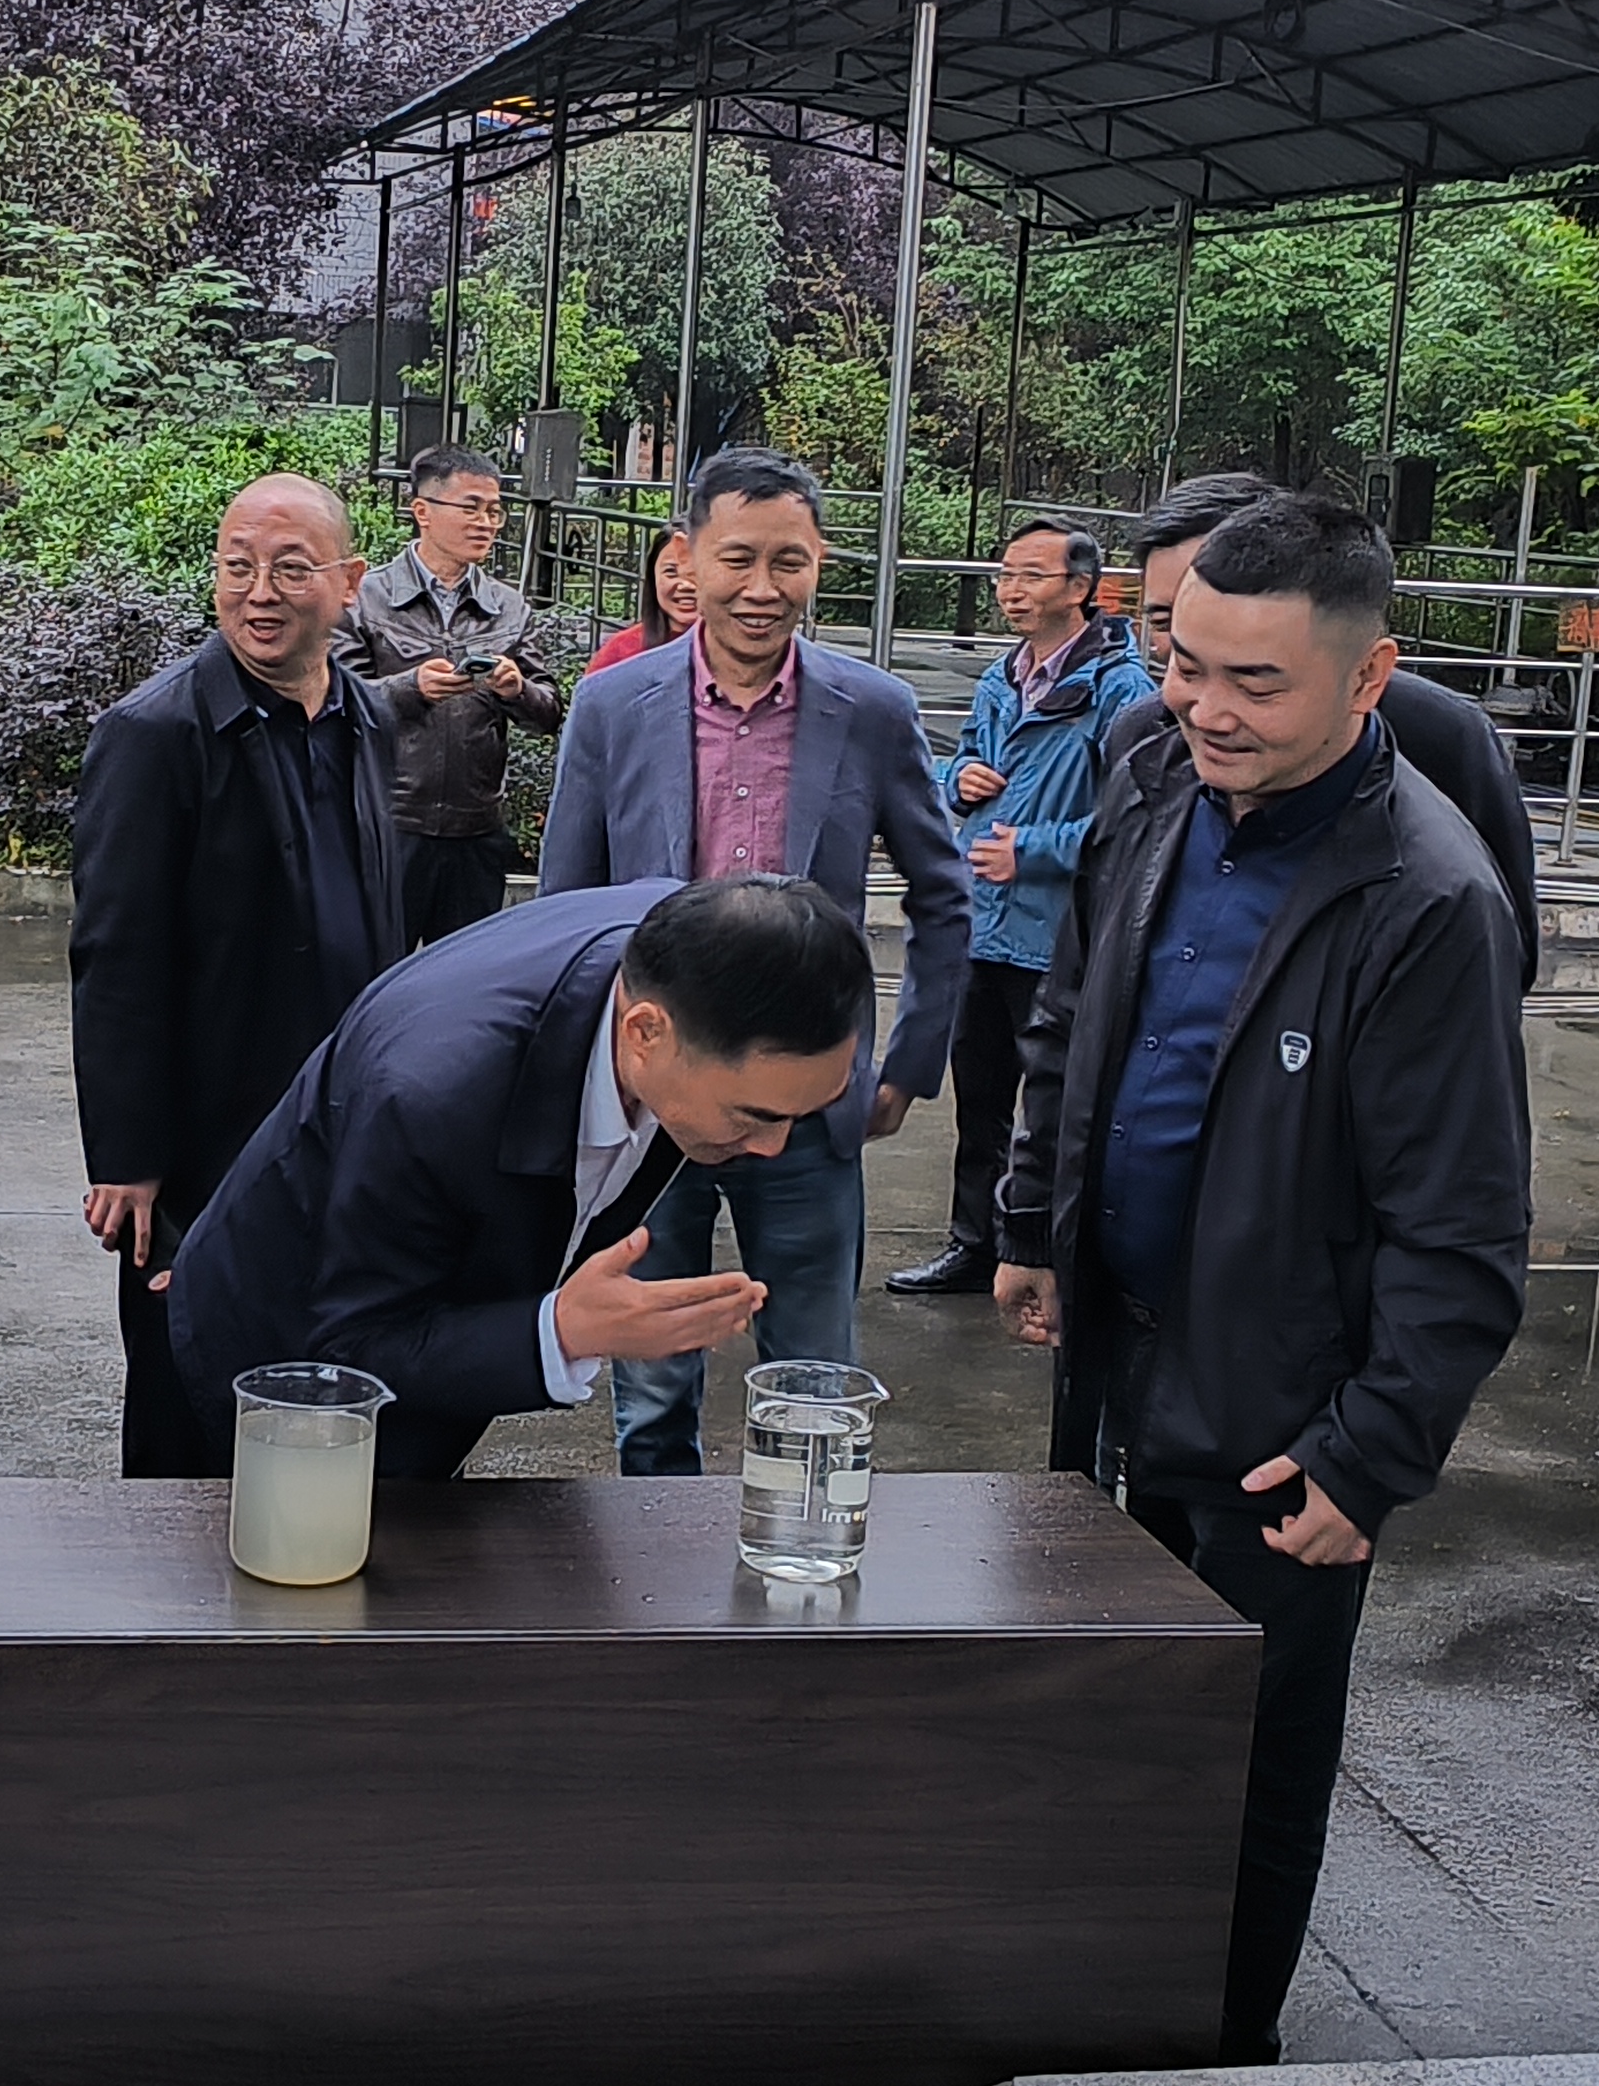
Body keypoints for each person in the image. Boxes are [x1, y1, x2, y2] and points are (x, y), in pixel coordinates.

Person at [998, 490, 1530, 2067]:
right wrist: (1034, 1223)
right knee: (1116, 1713)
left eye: (1256, 683)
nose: (1207, 707)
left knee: (1250, 1755)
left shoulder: (1425, 898)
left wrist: (1372, 1453)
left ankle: (1216, 2057)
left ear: (1369, 679)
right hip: (1121, 1352)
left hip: (1285, 1417)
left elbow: (1462, 1225)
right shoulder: (1153, 780)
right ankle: (1100, 1999)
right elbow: (1073, 1016)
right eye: (1186, 661)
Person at [538, 448, 971, 1474]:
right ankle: (656, 1554)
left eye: (791, 562)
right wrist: (575, 1079)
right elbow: (564, 909)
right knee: (651, 1377)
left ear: (821, 564)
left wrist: (907, 1068)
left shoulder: (871, 710)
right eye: (738, 558)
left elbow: (943, 894)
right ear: (687, 559)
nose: (763, 588)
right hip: (655, 1097)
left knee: (816, 1372)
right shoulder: (614, 704)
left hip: (810, 1104)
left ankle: (805, 1558)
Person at [169, 874, 872, 1482]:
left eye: (803, 1115)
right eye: (753, 1115)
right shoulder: (433, 1098)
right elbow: (350, 1346)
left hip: (404, 1325)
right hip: (266, 1380)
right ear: (645, 1032)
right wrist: (561, 1330)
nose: (773, 1148)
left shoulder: (685, 953)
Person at [72, 474, 406, 1472]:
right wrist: (128, 1157)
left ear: (347, 583)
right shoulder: (158, 734)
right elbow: (115, 955)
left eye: (291, 569)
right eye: (237, 567)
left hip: (341, 1131)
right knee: (189, 1402)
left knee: (324, 1396)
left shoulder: (365, 718)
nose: (259, 593)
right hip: (206, 1146)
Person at [1111, 474, 1542, 979]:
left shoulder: (1440, 735)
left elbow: (1495, 945)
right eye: (1165, 621)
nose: (1208, 714)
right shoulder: (1140, 741)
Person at [890, 520, 1153, 1298]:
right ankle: (975, 1244)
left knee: (1058, 1108)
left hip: (1056, 936)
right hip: (983, 925)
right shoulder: (1001, 679)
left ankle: (1055, 1253)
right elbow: (960, 760)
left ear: (1081, 588)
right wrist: (957, 778)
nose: (1011, 591)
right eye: (1006, 575)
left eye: (1031, 576)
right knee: (979, 1100)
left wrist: (1032, 851)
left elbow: (1138, 819)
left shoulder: (1121, 691)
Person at [338, 445, 561, 945]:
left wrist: (516, 689)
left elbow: (549, 713)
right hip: (388, 825)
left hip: (475, 832)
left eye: (494, 511)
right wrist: (409, 687)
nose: (486, 523)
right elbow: (337, 703)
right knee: (375, 967)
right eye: (471, 508)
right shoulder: (367, 599)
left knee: (465, 975)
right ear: (423, 511)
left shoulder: (508, 607)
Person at [583, 525, 697, 680]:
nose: (686, 585)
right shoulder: (620, 653)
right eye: (671, 572)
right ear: (653, 577)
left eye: (697, 572)